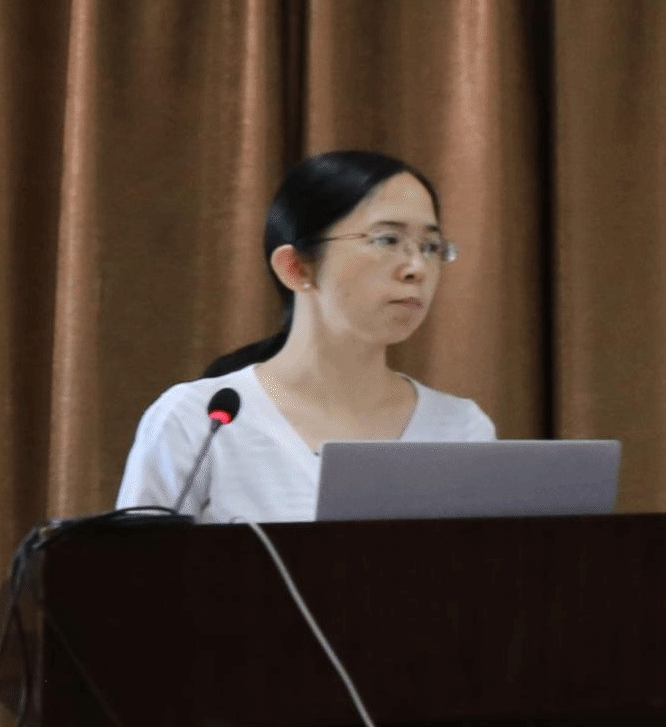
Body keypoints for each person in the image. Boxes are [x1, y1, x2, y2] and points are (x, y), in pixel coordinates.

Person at [116, 150, 495, 522]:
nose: (417, 268)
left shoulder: (462, 431)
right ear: (296, 267)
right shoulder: (199, 422)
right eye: (387, 240)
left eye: (431, 247)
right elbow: (137, 564)